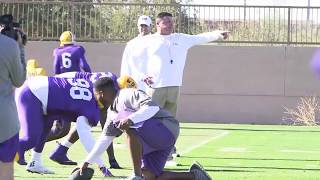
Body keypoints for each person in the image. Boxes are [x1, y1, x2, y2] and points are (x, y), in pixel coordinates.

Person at [122, 12, 229, 164]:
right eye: (166, 22)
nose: (170, 24)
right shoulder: (147, 41)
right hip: (156, 87)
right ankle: (144, 154)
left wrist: (218, 34)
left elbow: (200, 38)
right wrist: (141, 75)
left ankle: (167, 154)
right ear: (158, 25)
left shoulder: (181, 38)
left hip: (174, 88)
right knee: (150, 121)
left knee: (169, 123)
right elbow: (132, 58)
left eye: (171, 21)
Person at [78, 77, 212, 180]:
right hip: (152, 142)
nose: (96, 99)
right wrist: (87, 162)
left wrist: (130, 120)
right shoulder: (112, 113)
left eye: (96, 95)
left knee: (128, 126)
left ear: (100, 93)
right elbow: (104, 140)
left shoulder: (126, 94)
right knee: (149, 176)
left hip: (165, 128)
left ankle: (136, 175)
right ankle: (195, 175)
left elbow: (152, 107)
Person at [15, 75, 112, 176]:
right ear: (101, 94)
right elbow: (86, 138)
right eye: (112, 97)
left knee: (45, 128)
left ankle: (35, 162)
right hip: (32, 93)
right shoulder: (90, 106)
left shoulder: (91, 87)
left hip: (41, 89)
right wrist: (102, 166)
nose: (113, 101)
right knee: (30, 139)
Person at [48, 72, 136, 169]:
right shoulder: (107, 91)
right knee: (60, 130)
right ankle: (32, 147)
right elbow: (106, 128)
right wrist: (112, 160)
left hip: (70, 87)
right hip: (63, 86)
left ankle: (60, 151)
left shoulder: (110, 86)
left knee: (86, 121)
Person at [0, 25, 26, 180]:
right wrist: (20, 48)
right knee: (6, 170)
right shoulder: (9, 45)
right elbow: (19, 79)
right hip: (5, 121)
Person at [121, 15, 152, 91]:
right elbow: (125, 67)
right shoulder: (131, 44)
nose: (143, 28)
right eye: (141, 25)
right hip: (136, 86)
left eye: (146, 25)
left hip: (153, 85)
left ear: (150, 26)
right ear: (138, 26)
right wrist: (126, 84)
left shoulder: (157, 42)